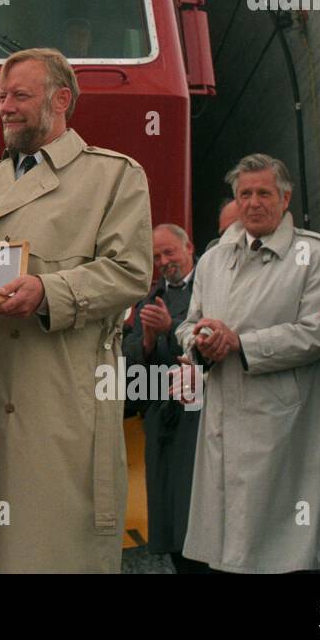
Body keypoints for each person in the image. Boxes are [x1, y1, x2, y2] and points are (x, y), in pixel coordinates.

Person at [0, 47, 152, 572]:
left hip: (57, 406)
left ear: (61, 100)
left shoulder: (114, 177)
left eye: (20, 95)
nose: (5, 107)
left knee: (50, 552)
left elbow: (130, 272)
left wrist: (48, 292)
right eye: (1, 97)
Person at [176, 154, 320, 573]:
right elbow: (188, 324)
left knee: (279, 549)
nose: (253, 202)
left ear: (285, 199)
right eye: (245, 194)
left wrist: (241, 343)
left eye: (264, 193)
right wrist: (202, 340)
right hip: (222, 418)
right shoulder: (214, 259)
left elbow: (318, 334)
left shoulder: (315, 255)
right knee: (227, 548)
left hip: (280, 421)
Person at [122, 224, 206, 574]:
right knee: (169, 515)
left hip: (197, 417)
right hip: (160, 419)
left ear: (189, 246)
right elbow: (128, 358)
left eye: (169, 252)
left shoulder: (211, 287)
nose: (163, 261)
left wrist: (170, 327)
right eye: (157, 256)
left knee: (197, 512)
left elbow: (207, 340)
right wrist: (147, 339)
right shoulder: (146, 300)